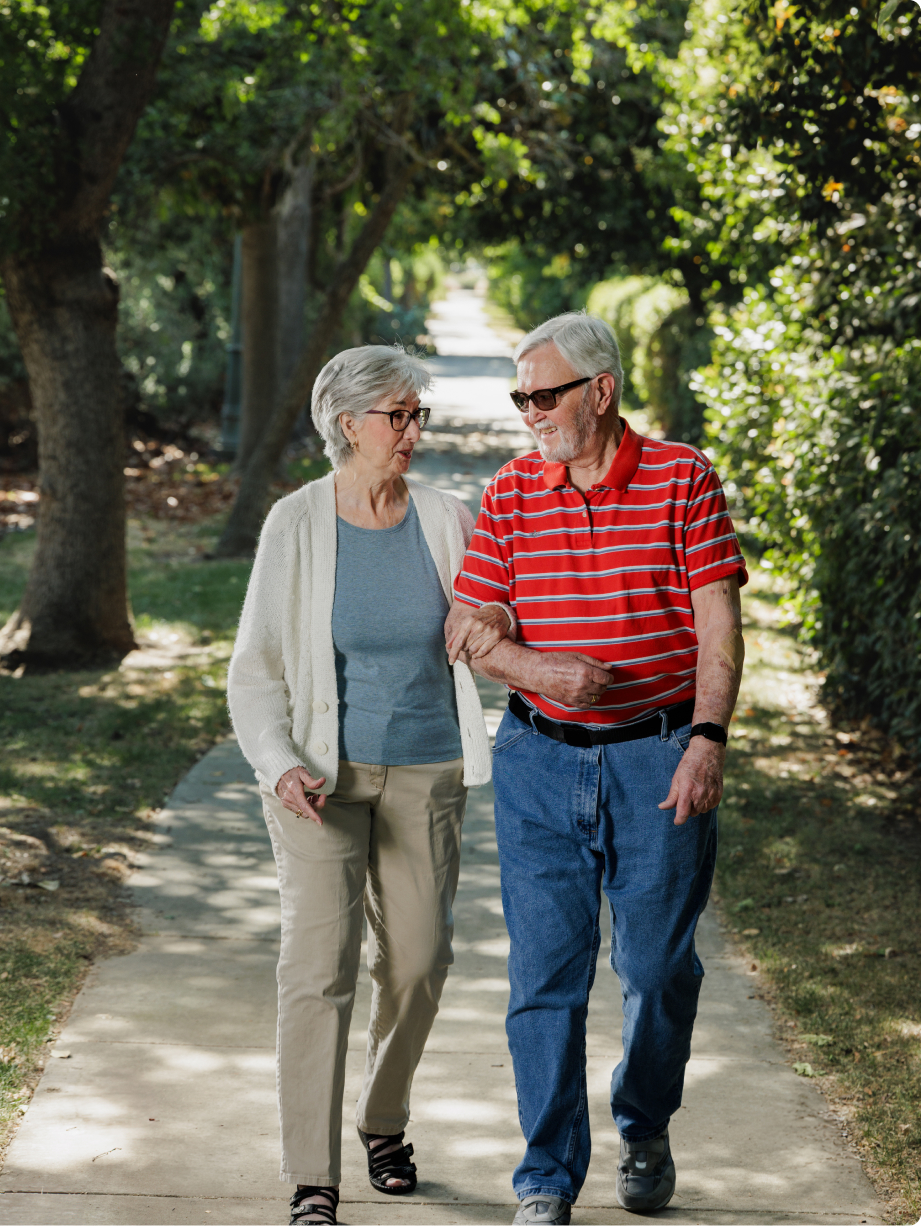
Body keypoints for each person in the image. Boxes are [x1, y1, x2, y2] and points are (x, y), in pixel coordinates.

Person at [447, 312, 747, 1224]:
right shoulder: (510, 494)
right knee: (544, 977)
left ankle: (645, 1120)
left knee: (657, 970)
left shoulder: (681, 479)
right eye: (520, 398)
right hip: (539, 760)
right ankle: (545, 1175)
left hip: (657, 758)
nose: (529, 413)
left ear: (600, 391)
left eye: (544, 395)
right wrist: (538, 670)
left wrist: (707, 739)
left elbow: (719, 625)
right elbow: (467, 629)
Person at [227, 345, 514, 1226]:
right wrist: (279, 766)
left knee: (421, 963)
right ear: (347, 423)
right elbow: (255, 670)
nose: (414, 430)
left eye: (417, 413)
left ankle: (381, 1119)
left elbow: (497, 610)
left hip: (426, 769)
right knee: (318, 971)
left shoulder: (446, 517)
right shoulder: (297, 524)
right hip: (319, 779)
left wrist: (496, 615)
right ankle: (313, 1176)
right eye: (400, 415)